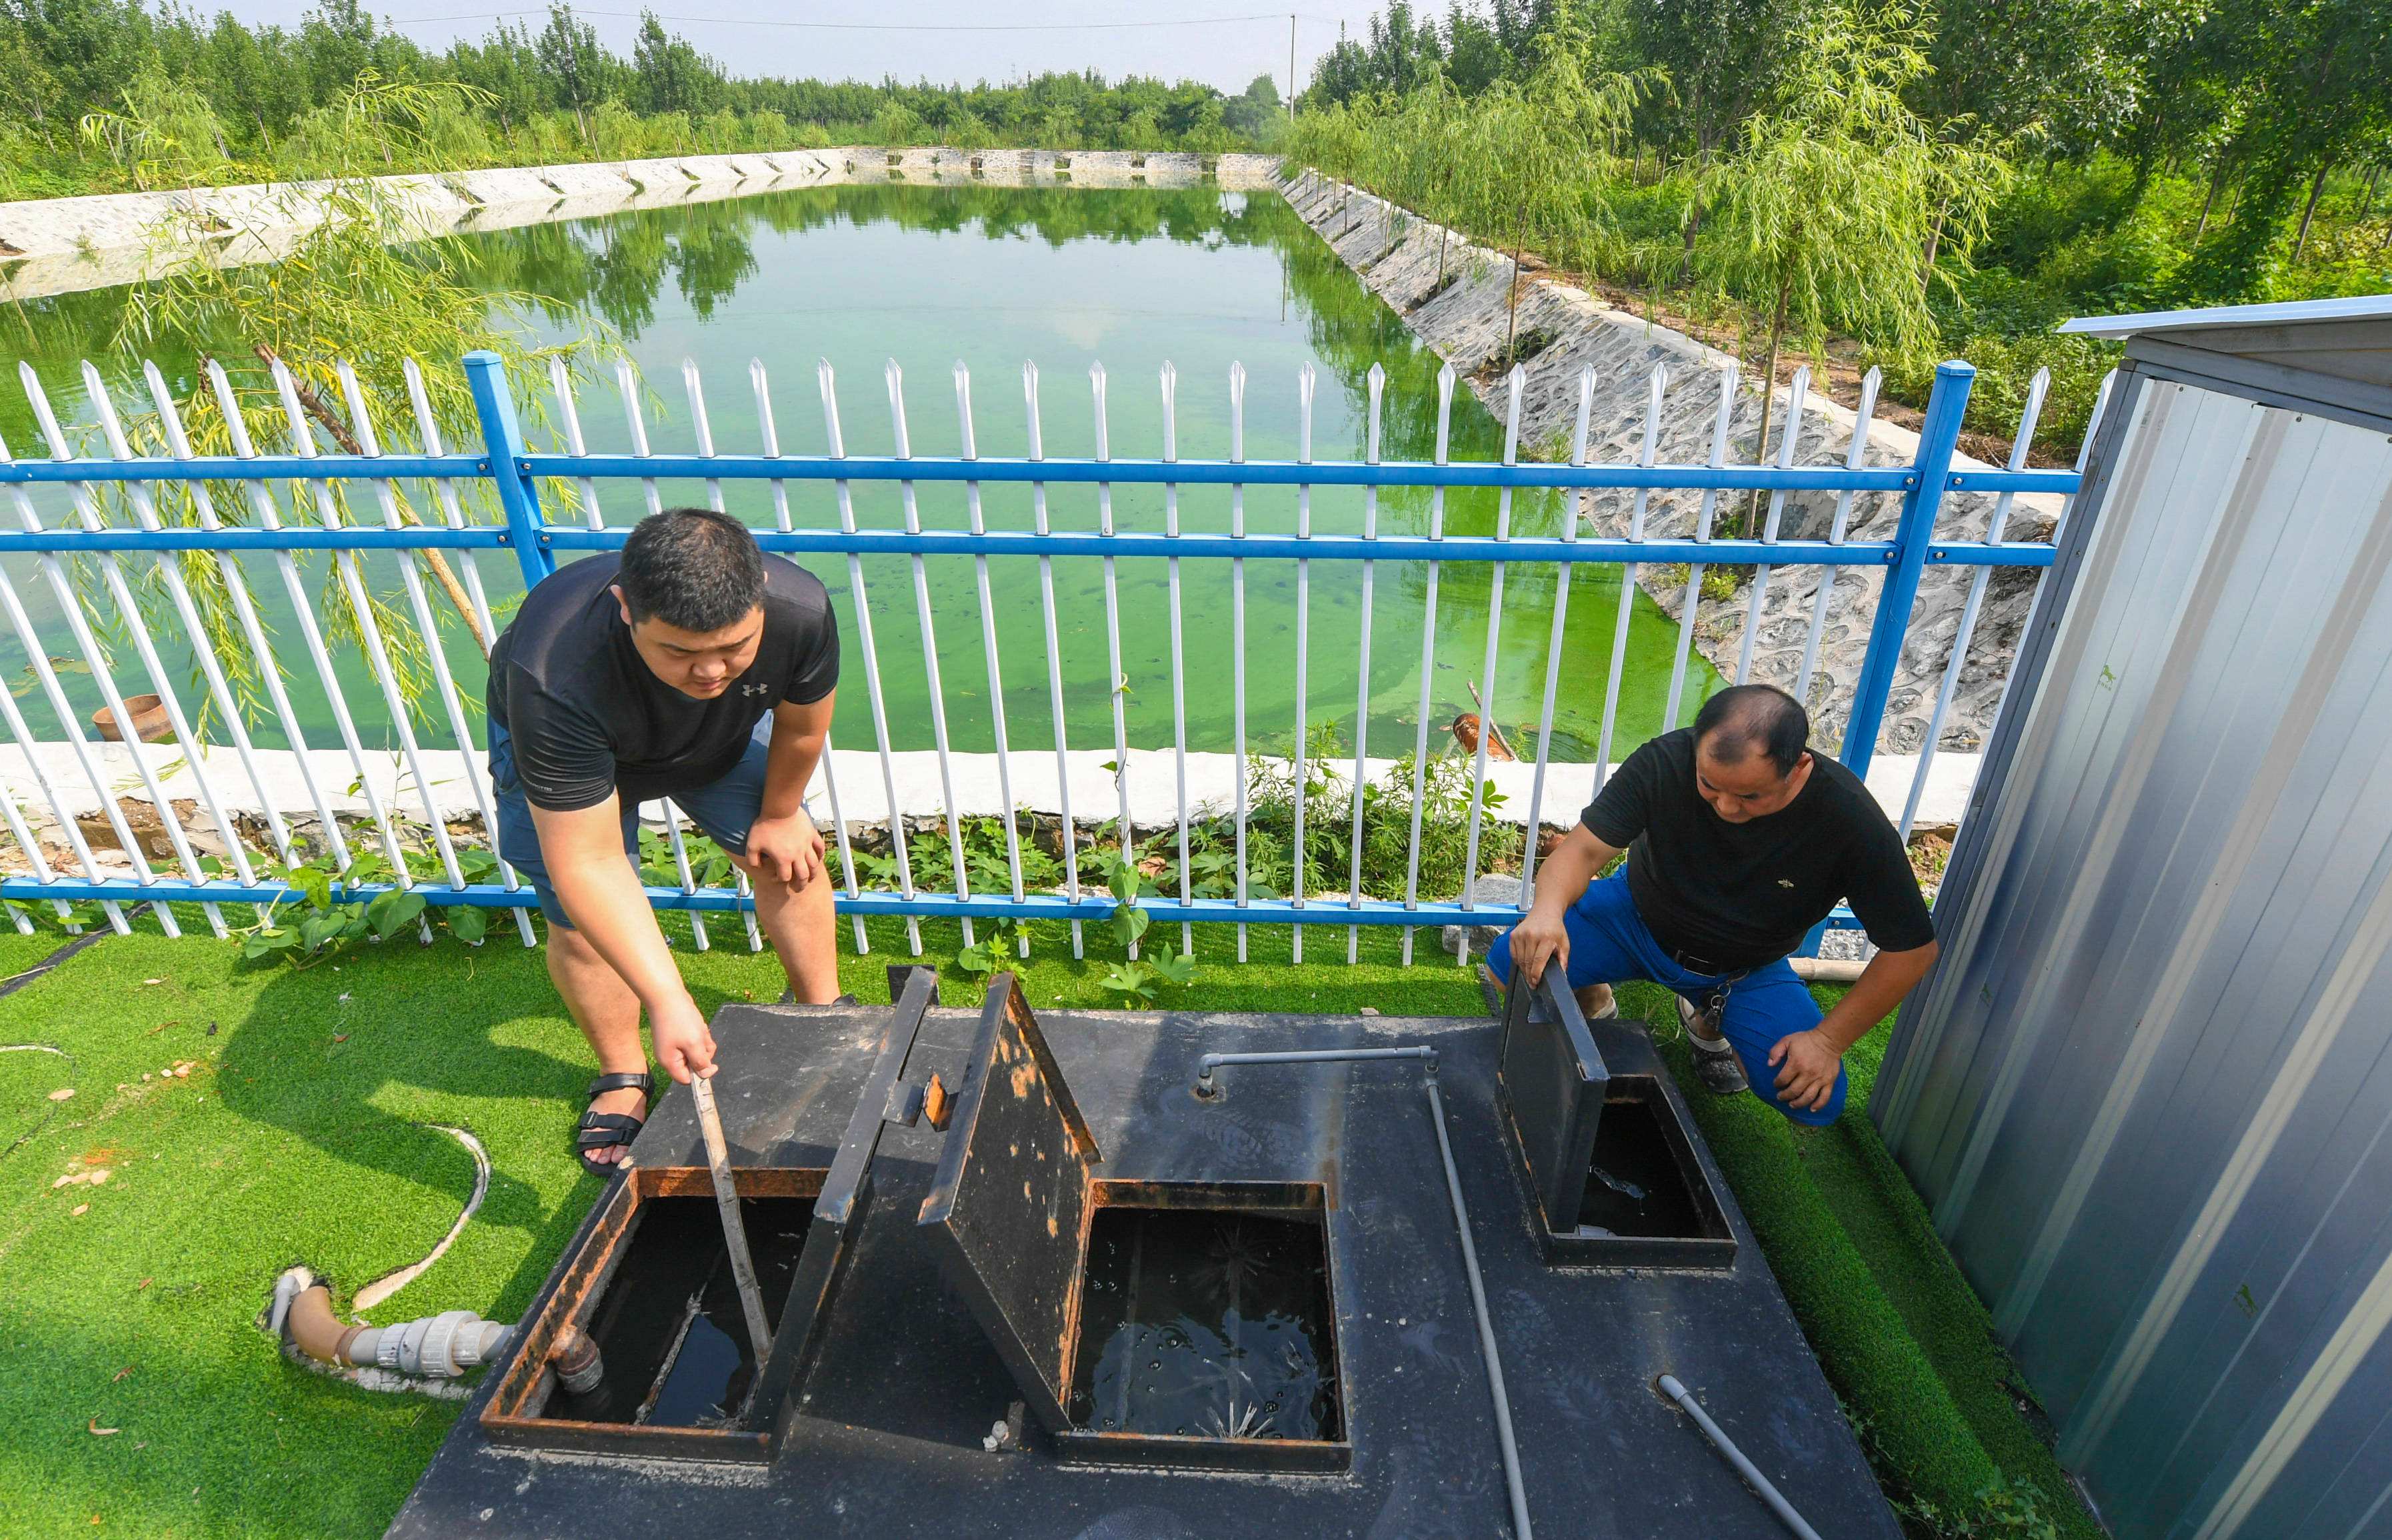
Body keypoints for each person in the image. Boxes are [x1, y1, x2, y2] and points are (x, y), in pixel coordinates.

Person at [485, 507, 843, 1173]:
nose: (711, 672)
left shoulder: (800, 612)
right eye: (679, 651)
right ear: (625, 608)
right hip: (582, 751)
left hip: (715, 741)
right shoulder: (553, 672)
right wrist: (667, 1000)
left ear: (761, 597)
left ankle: (823, 1025)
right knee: (579, 922)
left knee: (790, 860)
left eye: (734, 649)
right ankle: (623, 1072)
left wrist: (780, 812)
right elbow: (588, 861)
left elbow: (800, 728)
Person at [1489, 684, 1938, 1125]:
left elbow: (1912, 951)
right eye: (1709, 785)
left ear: (1799, 768)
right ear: (1698, 748)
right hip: (1633, 920)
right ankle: (1594, 997)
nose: (1726, 806)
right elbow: (1581, 852)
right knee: (1508, 964)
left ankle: (1709, 1021)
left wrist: (1826, 1042)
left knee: (1811, 1100)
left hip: (1743, 968)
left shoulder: (1850, 821)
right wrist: (1547, 911)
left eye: (1749, 796)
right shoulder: (1665, 761)